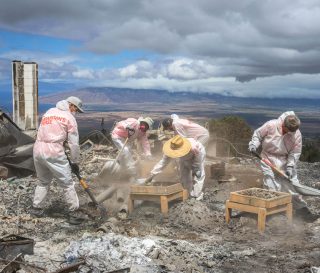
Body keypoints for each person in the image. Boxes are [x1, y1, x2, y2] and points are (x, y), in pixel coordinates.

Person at [248, 111, 317, 222]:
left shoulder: (297, 134)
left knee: (293, 187)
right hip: (268, 158)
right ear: (283, 125)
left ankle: (303, 212)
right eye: (287, 131)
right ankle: (275, 214)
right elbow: (258, 135)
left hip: (285, 161)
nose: (289, 133)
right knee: (272, 186)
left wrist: (290, 167)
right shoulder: (271, 125)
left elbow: (294, 153)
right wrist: (253, 145)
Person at [31, 96, 84, 223]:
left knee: (43, 181)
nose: (75, 112)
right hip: (54, 152)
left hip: (38, 149)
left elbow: (45, 131)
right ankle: (74, 213)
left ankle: (36, 208)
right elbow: (74, 143)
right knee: (67, 183)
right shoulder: (69, 117)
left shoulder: (49, 112)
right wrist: (75, 161)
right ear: (71, 106)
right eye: (76, 109)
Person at [146, 135, 206, 200]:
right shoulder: (171, 148)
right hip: (183, 159)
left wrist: (195, 168)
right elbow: (163, 163)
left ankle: (197, 196)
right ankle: (187, 194)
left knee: (198, 174)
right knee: (184, 175)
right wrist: (152, 174)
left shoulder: (195, 147)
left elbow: (197, 164)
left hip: (196, 156)